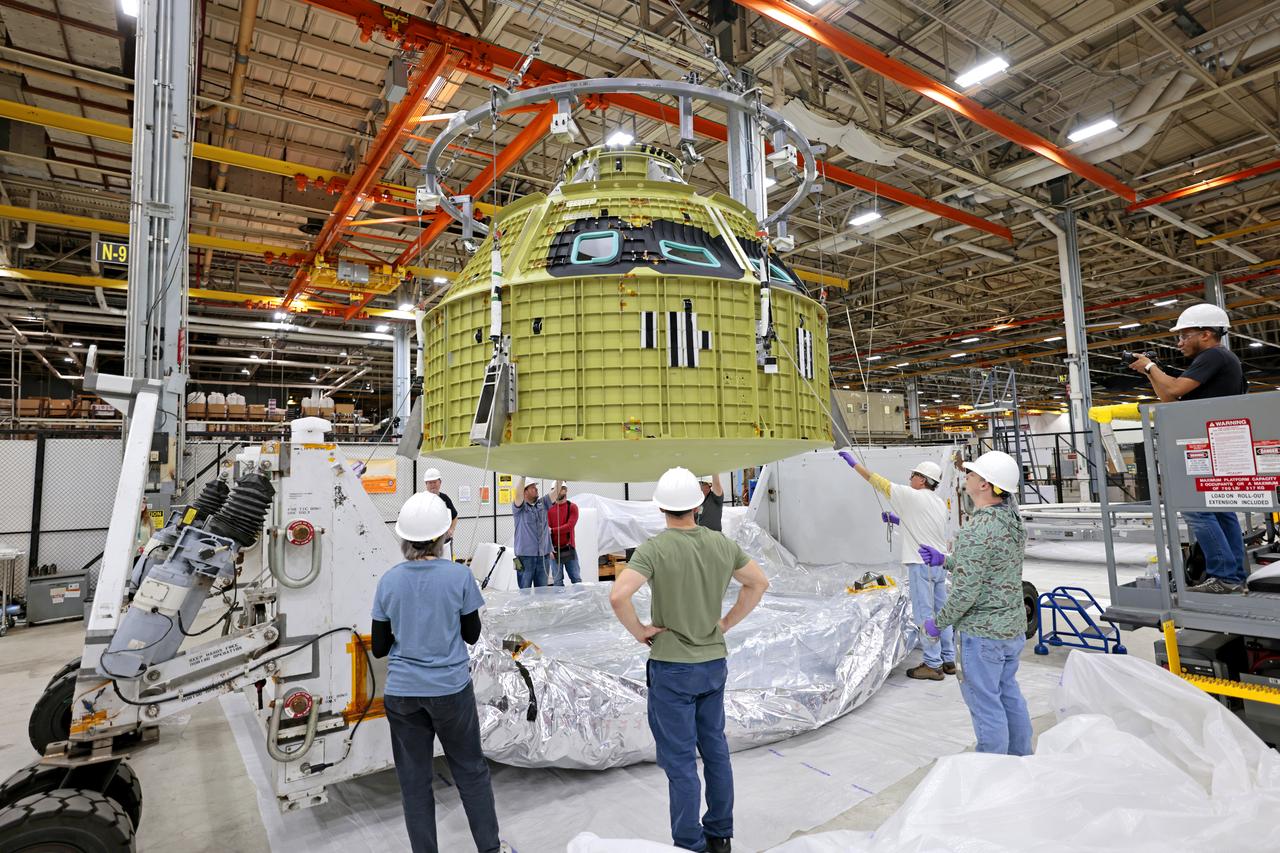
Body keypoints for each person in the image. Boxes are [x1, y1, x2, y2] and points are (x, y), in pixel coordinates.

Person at [610, 467, 770, 853]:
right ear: (699, 505)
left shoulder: (654, 549)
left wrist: (640, 631)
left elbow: (618, 596)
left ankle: (689, 843)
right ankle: (720, 834)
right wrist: (726, 623)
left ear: (661, 507)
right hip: (713, 665)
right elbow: (758, 582)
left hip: (672, 668)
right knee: (715, 749)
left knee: (681, 762)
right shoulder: (721, 544)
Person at [372, 492, 503, 853]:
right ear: (443, 535)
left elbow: (380, 646)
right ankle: (490, 849)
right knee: (471, 772)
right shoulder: (459, 576)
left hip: (402, 694)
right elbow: (472, 635)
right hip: (449, 691)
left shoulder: (388, 581)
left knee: (414, 783)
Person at [917, 450, 1032, 757]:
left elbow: (965, 594)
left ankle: (991, 772)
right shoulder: (1012, 521)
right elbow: (993, 567)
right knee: (1008, 695)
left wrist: (936, 624)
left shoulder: (976, 529)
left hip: (983, 636)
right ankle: (1021, 759)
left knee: (985, 705)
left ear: (986, 485)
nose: (965, 477)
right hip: (1011, 630)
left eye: (972, 474)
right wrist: (948, 560)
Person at [1129, 303, 1249, 594]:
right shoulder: (1222, 359)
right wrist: (1149, 372)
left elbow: (1171, 391)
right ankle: (1234, 574)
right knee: (1221, 511)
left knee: (1197, 510)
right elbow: (1169, 396)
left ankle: (1225, 576)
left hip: (1206, 447)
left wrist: (1149, 365)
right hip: (1214, 445)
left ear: (1206, 334)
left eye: (1184, 335)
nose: (1179, 342)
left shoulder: (1213, 356)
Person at [838, 451, 953, 680]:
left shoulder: (910, 494)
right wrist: (896, 520)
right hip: (939, 565)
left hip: (921, 565)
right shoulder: (938, 503)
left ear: (922, 479)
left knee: (925, 614)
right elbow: (922, 525)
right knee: (943, 613)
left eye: (914, 475)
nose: (910, 478)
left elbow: (875, 480)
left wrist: (853, 464)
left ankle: (932, 664)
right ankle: (949, 659)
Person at [511, 475, 562, 589]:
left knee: (542, 591)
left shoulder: (543, 504)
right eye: (532, 487)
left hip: (543, 557)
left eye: (535, 486)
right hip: (524, 558)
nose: (536, 489)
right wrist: (523, 476)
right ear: (525, 492)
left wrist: (560, 477)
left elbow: (556, 492)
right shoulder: (519, 508)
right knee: (525, 591)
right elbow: (518, 495)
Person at [548, 483, 581, 585]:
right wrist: (549, 549)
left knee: (576, 578)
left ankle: (580, 600)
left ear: (566, 490)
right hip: (554, 551)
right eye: (554, 489)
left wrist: (552, 530)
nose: (557, 492)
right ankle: (560, 601)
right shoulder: (549, 509)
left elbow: (569, 526)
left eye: (560, 489)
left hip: (569, 548)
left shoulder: (572, 507)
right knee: (557, 581)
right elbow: (545, 532)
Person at [421, 466, 459, 540]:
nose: (432, 485)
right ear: (426, 484)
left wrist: (451, 529)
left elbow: (454, 516)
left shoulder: (445, 498)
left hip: (444, 539)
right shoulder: (421, 499)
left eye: (435, 482)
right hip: (426, 540)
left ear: (440, 482)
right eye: (430, 483)